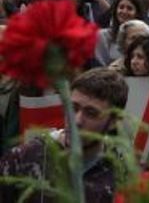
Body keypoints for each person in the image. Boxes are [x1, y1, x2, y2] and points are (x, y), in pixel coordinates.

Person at [0, 68, 129, 203]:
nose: (77, 121)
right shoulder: (23, 159)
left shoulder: (121, 174)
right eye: (73, 108)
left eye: (91, 113)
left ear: (114, 122)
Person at [95, 0, 146, 66]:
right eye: (121, 7)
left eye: (129, 8)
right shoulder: (103, 36)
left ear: (137, 13)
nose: (124, 11)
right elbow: (100, 64)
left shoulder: (144, 34)